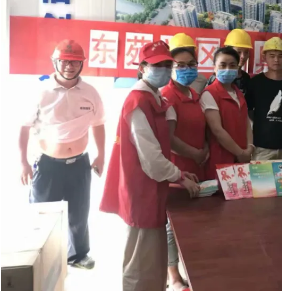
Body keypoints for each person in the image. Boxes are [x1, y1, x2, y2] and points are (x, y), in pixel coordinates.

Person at [100, 40, 200, 291]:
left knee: (152, 260)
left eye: (167, 65)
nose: (164, 70)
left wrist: (178, 174)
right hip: (141, 189)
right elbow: (151, 158)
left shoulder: (153, 96)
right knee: (141, 263)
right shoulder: (138, 101)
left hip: (151, 188)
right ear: (142, 67)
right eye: (157, 65)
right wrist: (179, 176)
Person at [19, 39, 105, 270]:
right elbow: (24, 127)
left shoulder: (90, 92)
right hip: (47, 164)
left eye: (75, 61)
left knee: (79, 212)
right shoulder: (41, 91)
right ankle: (39, 256)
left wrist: (101, 155)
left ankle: (77, 256)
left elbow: (98, 124)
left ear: (82, 64)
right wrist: (23, 163)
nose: (69, 65)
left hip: (79, 163)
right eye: (64, 61)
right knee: (42, 213)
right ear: (54, 62)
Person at [161, 34, 208, 291]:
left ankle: (192, 268)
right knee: (173, 226)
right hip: (177, 169)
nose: (187, 69)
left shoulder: (194, 94)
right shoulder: (166, 95)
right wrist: (195, 154)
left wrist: (205, 149)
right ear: (170, 67)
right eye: (181, 65)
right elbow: (169, 140)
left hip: (197, 166)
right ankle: (174, 276)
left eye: (191, 64)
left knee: (193, 222)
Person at [201, 46, 254, 180]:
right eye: (223, 65)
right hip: (221, 159)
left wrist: (250, 147)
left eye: (232, 65)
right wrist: (240, 153)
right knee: (221, 192)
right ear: (214, 68)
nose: (228, 69)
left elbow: (246, 121)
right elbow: (217, 130)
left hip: (242, 158)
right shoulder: (209, 93)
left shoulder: (238, 92)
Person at [246, 37, 282, 161]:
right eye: (272, 56)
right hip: (261, 148)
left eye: (280, 56)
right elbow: (249, 110)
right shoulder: (255, 83)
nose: (276, 60)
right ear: (264, 58)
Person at [206, 29, 252, 96]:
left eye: (246, 52)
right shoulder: (218, 77)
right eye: (239, 52)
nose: (243, 56)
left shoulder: (246, 78)